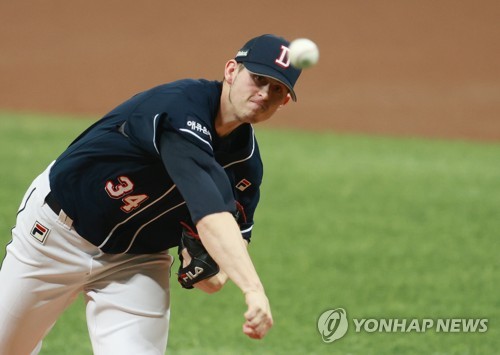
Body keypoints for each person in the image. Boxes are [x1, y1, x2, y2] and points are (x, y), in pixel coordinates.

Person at [0, 34, 302, 354]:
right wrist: (254, 290)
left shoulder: (246, 166)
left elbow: (222, 260)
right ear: (231, 71)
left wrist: (210, 268)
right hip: (57, 234)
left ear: (283, 102)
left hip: (137, 261)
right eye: (258, 79)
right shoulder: (181, 108)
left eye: (277, 89)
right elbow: (212, 214)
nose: (264, 93)